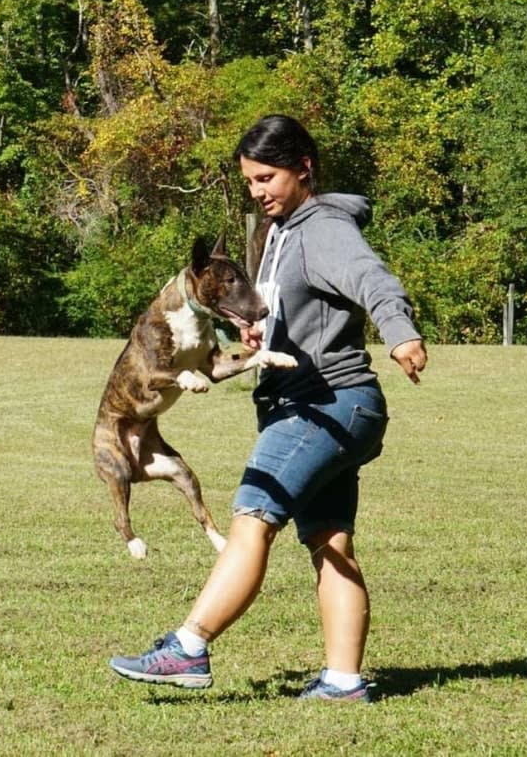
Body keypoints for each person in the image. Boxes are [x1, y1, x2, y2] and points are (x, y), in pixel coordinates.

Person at [108, 114, 428, 702]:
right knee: (330, 540)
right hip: (322, 405)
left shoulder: (325, 228)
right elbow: (296, 306)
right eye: (250, 182)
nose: (257, 192)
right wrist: (263, 335)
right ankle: (343, 680)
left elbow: (369, 278)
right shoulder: (278, 232)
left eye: (267, 178)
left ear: (303, 168)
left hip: (327, 402)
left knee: (253, 516)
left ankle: (189, 647)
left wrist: (400, 332)